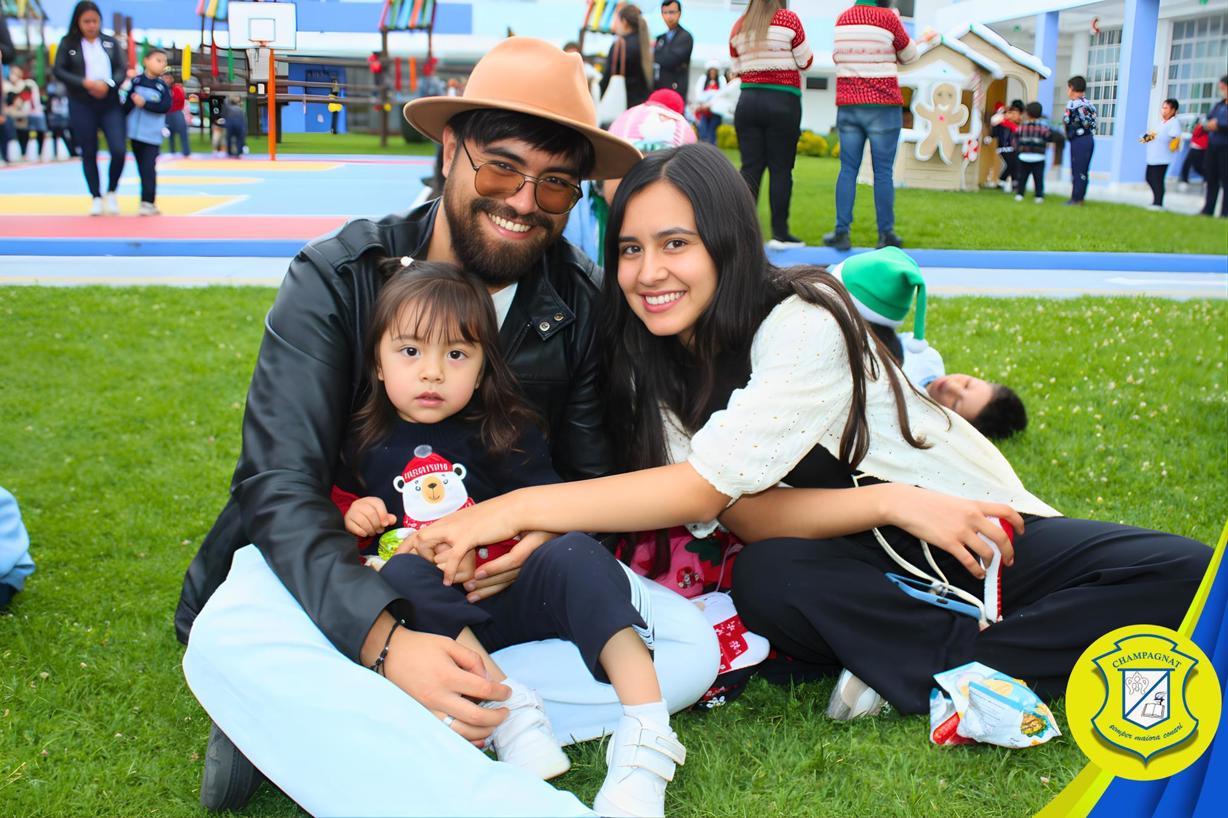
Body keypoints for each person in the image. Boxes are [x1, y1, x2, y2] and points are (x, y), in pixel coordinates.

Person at [412, 141, 1210, 724]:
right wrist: (892, 502)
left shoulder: (805, 318)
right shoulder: (653, 367)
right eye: (630, 249)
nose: (648, 272)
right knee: (768, 581)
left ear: (727, 242)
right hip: (855, 548)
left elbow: (701, 488)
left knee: (1192, 577)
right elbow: (744, 514)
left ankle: (926, 666)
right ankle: (950, 664)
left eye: (675, 244)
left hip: (965, 520)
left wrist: (507, 512)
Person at [177, 38, 716, 816]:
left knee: (689, 650)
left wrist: (539, 532)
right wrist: (386, 641)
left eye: (555, 184)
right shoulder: (339, 276)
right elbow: (279, 484)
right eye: (501, 168)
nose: (524, 202)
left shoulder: (582, 304)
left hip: (500, 579)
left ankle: (327, 715)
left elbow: (590, 481)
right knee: (230, 628)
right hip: (353, 564)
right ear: (450, 149)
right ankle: (428, 718)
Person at [338, 259, 685, 817]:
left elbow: (550, 509)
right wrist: (354, 513)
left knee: (575, 550)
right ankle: (511, 710)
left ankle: (648, 726)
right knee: (401, 575)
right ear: (377, 362)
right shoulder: (358, 440)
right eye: (410, 351)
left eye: (456, 354)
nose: (432, 373)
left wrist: (502, 544)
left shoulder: (504, 429)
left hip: (506, 590)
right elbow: (328, 530)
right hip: (440, 627)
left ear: (483, 368)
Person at [830, 247, 1028, 440]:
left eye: (956, 404)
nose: (952, 387)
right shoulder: (929, 357)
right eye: (967, 384)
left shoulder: (910, 411)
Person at [824, 0, 920, 253]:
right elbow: (910, 55)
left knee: (847, 170)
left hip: (849, 105)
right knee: (883, 172)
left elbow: (837, 57)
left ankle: (841, 232)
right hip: (883, 106)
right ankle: (885, 234)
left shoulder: (842, 20)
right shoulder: (887, 18)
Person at [729, 0, 813, 250]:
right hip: (782, 102)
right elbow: (806, 61)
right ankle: (780, 233)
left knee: (750, 169)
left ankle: (742, 234)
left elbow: (736, 69)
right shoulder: (789, 20)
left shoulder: (739, 26)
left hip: (748, 101)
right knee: (781, 169)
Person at [53, 0, 128, 216]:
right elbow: (59, 70)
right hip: (82, 103)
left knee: (118, 149)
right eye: (87, 21)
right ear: (78, 21)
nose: (91, 25)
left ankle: (111, 191)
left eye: (95, 21)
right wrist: (83, 83)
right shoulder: (68, 43)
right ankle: (95, 195)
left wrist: (108, 84)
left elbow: (121, 69)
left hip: (109, 102)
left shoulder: (110, 43)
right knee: (89, 150)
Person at [124, 48, 172, 216]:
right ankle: (146, 200)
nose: (162, 64)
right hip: (135, 134)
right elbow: (126, 105)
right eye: (158, 60)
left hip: (152, 135)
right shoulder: (136, 82)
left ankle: (148, 201)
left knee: (148, 168)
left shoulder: (162, 86)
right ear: (146, 61)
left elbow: (165, 107)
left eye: (164, 61)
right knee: (141, 167)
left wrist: (145, 104)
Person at [601, 4, 654, 112]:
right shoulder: (645, 44)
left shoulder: (620, 45)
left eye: (617, 21)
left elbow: (607, 78)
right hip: (642, 106)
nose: (616, 26)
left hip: (622, 105)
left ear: (624, 22)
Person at [1141, 98, 1182, 210]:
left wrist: (1173, 145)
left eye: (1166, 108)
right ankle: (1155, 201)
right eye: (1163, 108)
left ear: (1173, 110)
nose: (1163, 110)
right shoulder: (1162, 123)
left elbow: (1175, 138)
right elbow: (1153, 135)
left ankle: (1158, 203)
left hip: (1163, 157)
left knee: (1157, 180)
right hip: (1153, 156)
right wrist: (1144, 138)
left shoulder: (1174, 122)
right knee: (1149, 178)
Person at [1062, 75, 1096, 206]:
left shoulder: (1076, 105)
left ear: (1071, 88)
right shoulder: (1087, 104)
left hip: (1080, 140)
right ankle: (1078, 197)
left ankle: (1077, 198)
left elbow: (1069, 121)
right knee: (1080, 169)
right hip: (1085, 139)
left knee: (1079, 169)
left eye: (1068, 88)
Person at [4, 65, 48, 161]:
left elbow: (31, 98)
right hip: (20, 115)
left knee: (39, 131)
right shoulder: (8, 87)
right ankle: (23, 153)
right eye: (11, 74)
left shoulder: (28, 84)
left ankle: (40, 153)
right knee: (22, 133)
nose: (12, 76)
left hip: (34, 112)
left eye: (14, 74)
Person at [1200, 75, 1228, 218]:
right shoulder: (1219, 105)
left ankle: (1225, 213)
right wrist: (1208, 125)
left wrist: (1219, 125)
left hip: (1225, 148)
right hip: (1213, 146)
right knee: (1211, 178)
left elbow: (1221, 124)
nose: (1221, 90)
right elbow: (1209, 118)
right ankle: (1208, 210)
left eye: (1223, 87)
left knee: (1226, 180)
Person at [653, 1, 692, 103]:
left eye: (671, 12)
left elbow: (671, 60)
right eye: (665, 12)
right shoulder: (661, 38)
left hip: (676, 91)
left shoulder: (686, 37)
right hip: (660, 89)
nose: (668, 16)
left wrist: (654, 54)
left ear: (679, 13)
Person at [1014, 101, 1053, 203]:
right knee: (1038, 178)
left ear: (1027, 113)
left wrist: (1019, 149)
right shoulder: (1044, 127)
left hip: (1024, 156)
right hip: (1039, 156)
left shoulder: (1021, 127)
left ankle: (1020, 194)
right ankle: (1039, 196)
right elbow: (1049, 138)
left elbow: (1016, 139)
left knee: (1022, 177)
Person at [989, 100, 1023, 192]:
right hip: (1003, 147)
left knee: (1015, 165)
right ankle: (1001, 182)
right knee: (1010, 164)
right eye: (1011, 113)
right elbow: (995, 132)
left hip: (1013, 147)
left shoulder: (1014, 124)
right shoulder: (1001, 123)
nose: (1012, 115)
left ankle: (1014, 185)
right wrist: (990, 137)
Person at [690, 61, 724, 145]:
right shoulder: (703, 79)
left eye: (714, 71)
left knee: (712, 133)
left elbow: (722, 95)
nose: (713, 73)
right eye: (711, 71)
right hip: (703, 111)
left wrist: (710, 100)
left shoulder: (721, 80)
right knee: (703, 132)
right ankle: (703, 148)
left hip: (715, 111)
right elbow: (699, 95)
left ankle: (711, 148)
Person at [44, 78, 74, 159]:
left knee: (66, 135)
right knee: (55, 135)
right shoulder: (52, 87)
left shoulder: (64, 87)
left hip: (64, 116)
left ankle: (72, 151)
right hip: (55, 116)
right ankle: (55, 153)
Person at [163, 69, 191, 157]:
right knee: (170, 134)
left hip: (176, 112)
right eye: (165, 78)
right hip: (167, 113)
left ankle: (186, 152)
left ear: (172, 79)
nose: (166, 80)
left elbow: (181, 100)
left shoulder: (176, 89)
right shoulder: (162, 89)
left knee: (183, 132)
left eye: (168, 78)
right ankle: (172, 152)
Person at [1179, 119, 1208, 190]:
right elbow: (1195, 133)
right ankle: (1184, 180)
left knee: (1200, 166)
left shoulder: (1205, 127)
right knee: (1189, 165)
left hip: (1202, 147)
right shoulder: (1199, 126)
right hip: (1196, 147)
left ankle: (1207, 179)